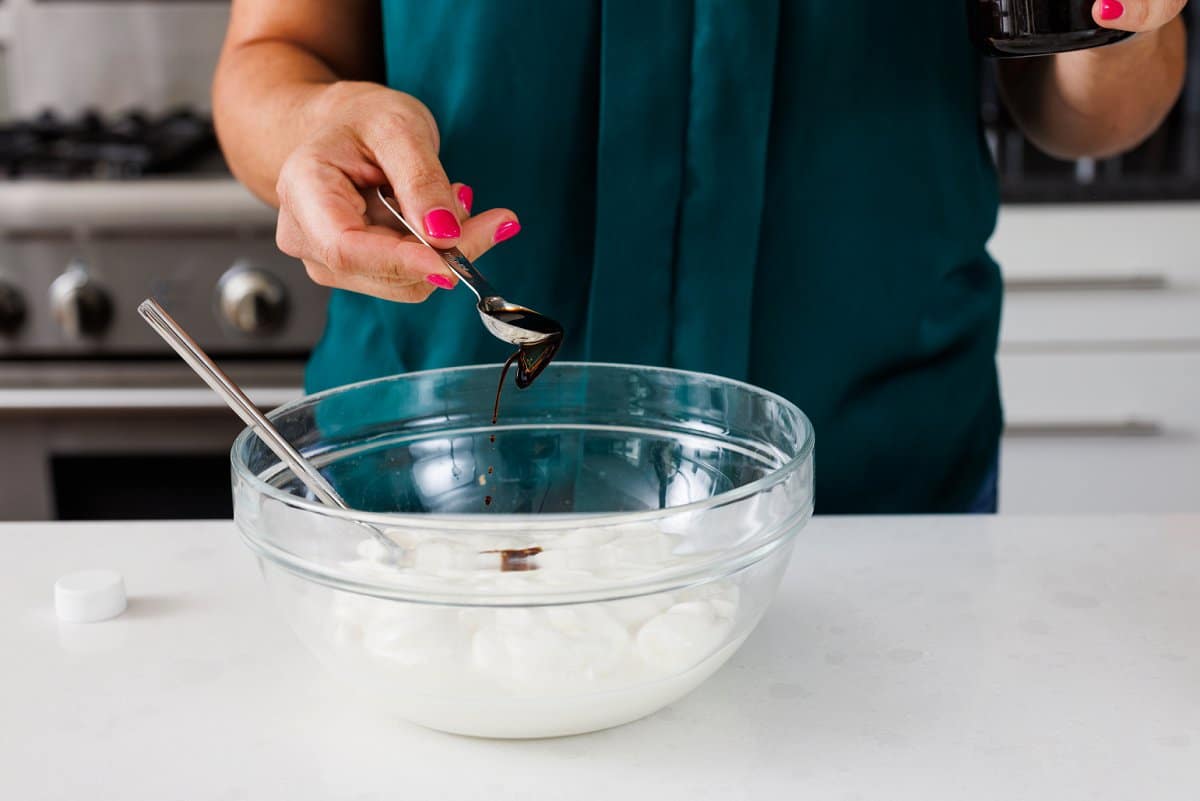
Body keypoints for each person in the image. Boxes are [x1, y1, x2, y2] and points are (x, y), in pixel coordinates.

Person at [213, 1, 1188, 514]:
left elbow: (1086, 106)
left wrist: (1113, 26)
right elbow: (274, 50)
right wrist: (311, 122)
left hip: (873, 485)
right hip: (436, 471)